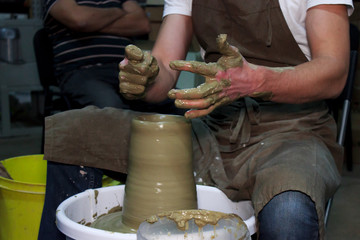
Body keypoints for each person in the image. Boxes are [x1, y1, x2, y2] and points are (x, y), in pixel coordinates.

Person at [117, 1, 353, 239]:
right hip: (212, 127)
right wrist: (146, 78)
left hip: (294, 132)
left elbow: (334, 72)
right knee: (83, 131)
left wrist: (256, 81)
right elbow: (166, 68)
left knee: (287, 214)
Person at [38, 0, 183, 239]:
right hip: (83, 71)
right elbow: (79, 19)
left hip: (123, 71)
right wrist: (118, 15)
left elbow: (140, 21)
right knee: (109, 116)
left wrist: (95, 21)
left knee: (175, 115)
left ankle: (150, 194)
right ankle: (129, 195)